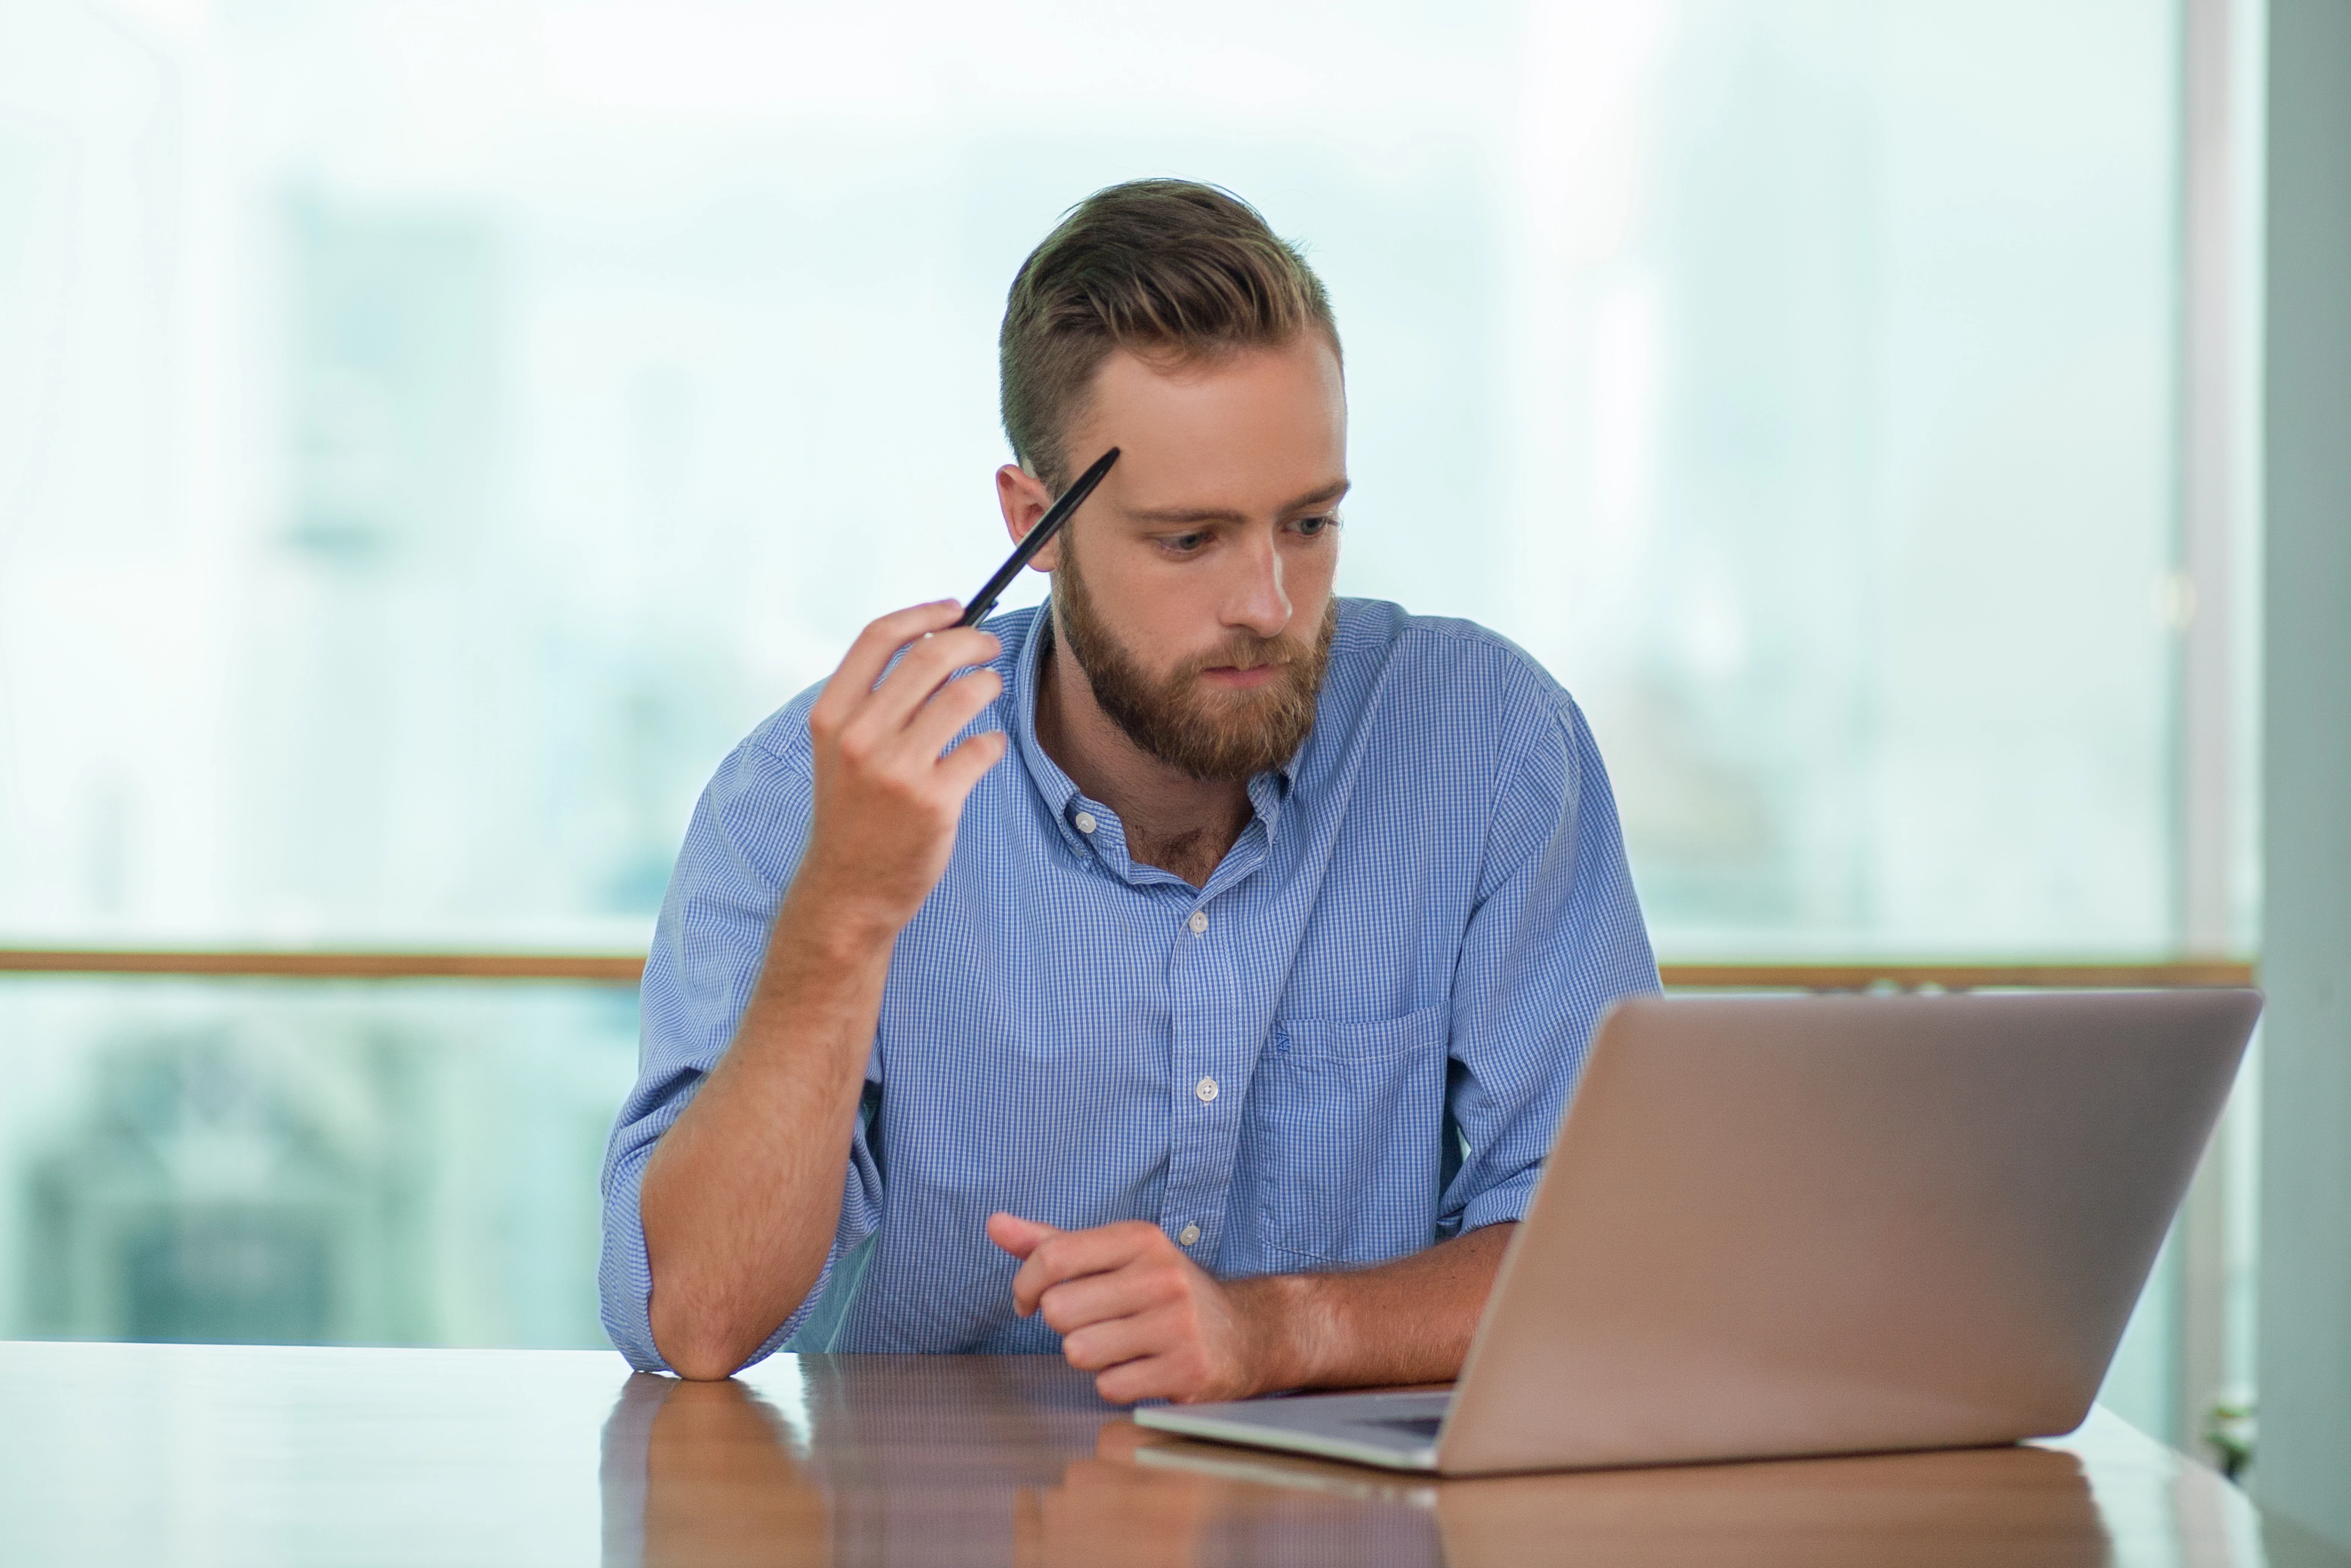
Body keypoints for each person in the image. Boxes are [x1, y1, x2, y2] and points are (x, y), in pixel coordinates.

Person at [600, 178, 1659, 1401]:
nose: (1267, 603)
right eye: (1188, 539)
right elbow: (700, 1320)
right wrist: (844, 915)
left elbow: (1611, 1263)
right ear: (1034, 520)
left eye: (1307, 524)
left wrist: (1277, 1331)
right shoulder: (804, 798)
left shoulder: (1484, 747)